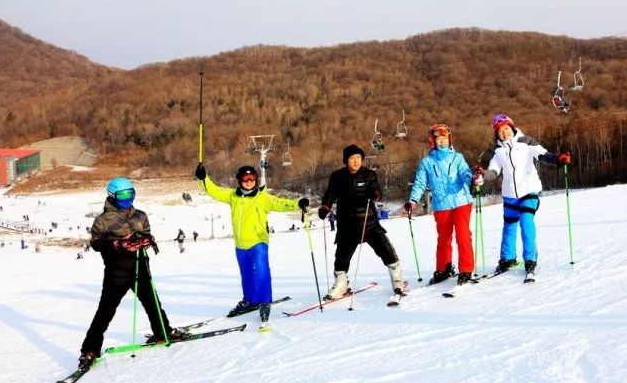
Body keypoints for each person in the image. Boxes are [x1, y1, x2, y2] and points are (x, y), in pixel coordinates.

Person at [78, 177, 185, 371]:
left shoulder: (140, 215)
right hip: (116, 272)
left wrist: (145, 240)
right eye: (123, 195)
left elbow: (147, 233)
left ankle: (163, 332)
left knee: (153, 303)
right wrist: (117, 244)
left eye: (131, 193)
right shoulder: (102, 220)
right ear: (112, 196)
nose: (128, 198)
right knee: (105, 311)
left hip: (140, 267)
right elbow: (96, 244)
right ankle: (90, 349)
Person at [195, 164, 308, 328]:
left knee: (261, 271)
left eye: (252, 179)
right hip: (240, 243)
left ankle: (264, 302)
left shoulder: (262, 198)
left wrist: (298, 203)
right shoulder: (233, 196)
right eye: (245, 179)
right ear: (239, 180)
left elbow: (280, 203)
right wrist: (203, 178)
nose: (249, 182)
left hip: (258, 242)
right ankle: (250, 300)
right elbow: (214, 191)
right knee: (246, 274)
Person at [474, 114, 571, 282]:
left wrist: (558, 159)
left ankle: (530, 260)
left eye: (506, 129)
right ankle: (508, 259)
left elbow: (543, 154)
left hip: (530, 190)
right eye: (499, 131)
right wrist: (481, 176)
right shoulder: (498, 151)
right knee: (509, 226)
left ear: (512, 128)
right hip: (510, 193)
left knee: (526, 221)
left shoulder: (526, 142)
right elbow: (494, 172)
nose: (504, 133)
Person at [318, 144, 403, 299]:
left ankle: (397, 279)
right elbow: (330, 194)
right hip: (346, 223)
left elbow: (377, 192)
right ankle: (341, 284)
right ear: (346, 160)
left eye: (359, 158)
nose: (356, 161)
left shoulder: (369, 174)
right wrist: (325, 207)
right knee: (342, 256)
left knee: (385, 248)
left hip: (368, 221)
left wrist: (374, 193)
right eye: (352, 158)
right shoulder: (337, 176)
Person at [405, 123, 475, 286]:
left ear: (449, 139)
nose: (442, 142)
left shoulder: (458, 158)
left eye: (445, 138)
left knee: (463, 236)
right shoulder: (426, 162)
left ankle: (466, 269)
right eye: (438, 139)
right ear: (432, 141)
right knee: (443, 238)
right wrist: (413, 201)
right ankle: (444, 268)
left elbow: (465, 173)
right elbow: (420, 183)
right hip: (441, 205)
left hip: (461, 201)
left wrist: (472, 179)